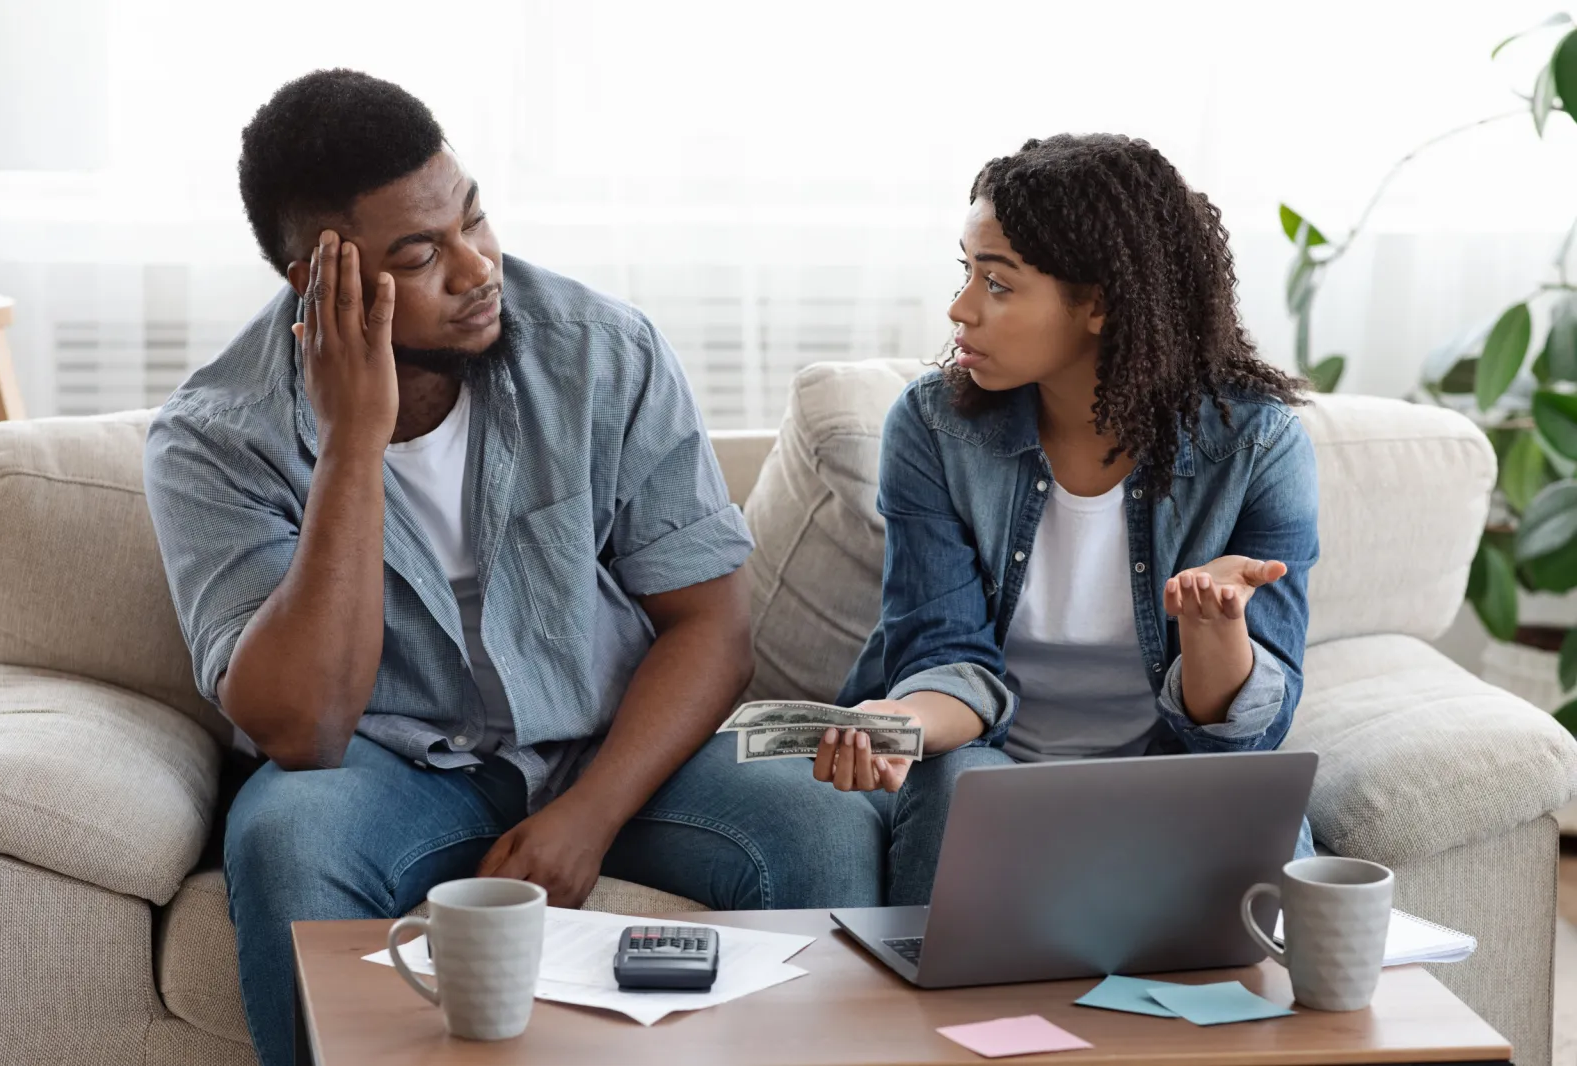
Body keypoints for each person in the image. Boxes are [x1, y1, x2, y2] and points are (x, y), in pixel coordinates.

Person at [143, 69, 883, 1066]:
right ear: (313, 280)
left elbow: (713, 631)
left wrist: (588, 815)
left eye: (474, 220)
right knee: (287, 834)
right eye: (420, 254)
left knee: (817, 812)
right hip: (390, 769)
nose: (476, 266)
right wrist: (353, 441)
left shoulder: (602, 351)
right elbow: (305, 728)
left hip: (609, 742)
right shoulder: (211, 439)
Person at [816, 134, 1319, 905]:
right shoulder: (934, 428)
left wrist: (1214, 628)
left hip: (1165, 770)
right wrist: (897, 724)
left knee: (1269, 821)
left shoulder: (1258, 445)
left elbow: (1249, 735)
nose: (960, 309)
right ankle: (941, 1020)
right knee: (962, 791)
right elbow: (945, 652)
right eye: (967, 273)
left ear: (1100, 302)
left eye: (998, 284)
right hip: (986, 759)